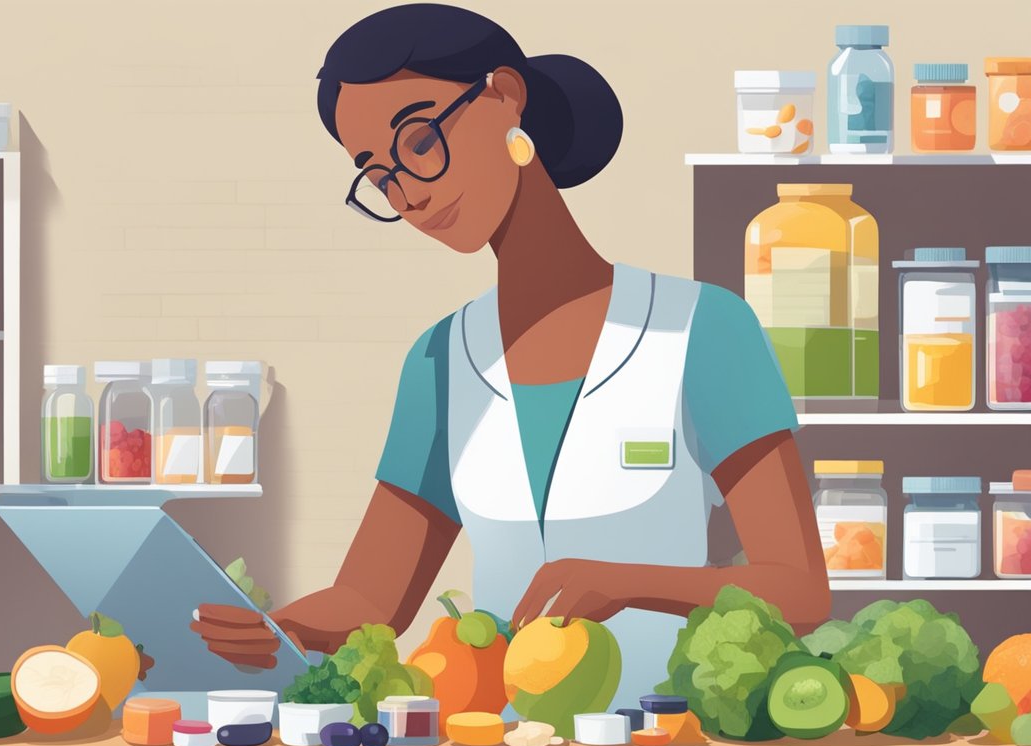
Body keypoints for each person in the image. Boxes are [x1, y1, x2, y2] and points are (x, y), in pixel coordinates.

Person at [191, 3, 829, 708]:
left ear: (505, 96)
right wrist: (282, 629)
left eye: (420, 139)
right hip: (493, 735)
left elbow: (798, 590)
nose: (409, 192)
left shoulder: (703, 329)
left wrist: (630, 582)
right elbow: (371, 597)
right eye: (378, 176)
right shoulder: (440, 359)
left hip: (663, 735)